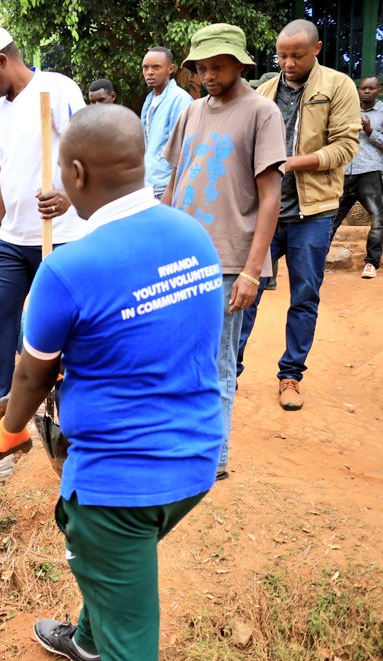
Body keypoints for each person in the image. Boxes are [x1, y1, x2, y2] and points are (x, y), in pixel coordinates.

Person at [0, 103, 222, 661]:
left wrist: (11, 430)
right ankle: (87, 641)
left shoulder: (70, 269)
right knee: (117, 566)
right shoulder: (194, 236)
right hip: (195, 461)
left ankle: (108, 653)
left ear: (78, 175)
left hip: (119, 483)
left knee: (131, 645)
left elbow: (31, 376)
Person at [161, 23, 285, 480]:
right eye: (201, 67)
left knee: (217, 359)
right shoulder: (192, 111)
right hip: (181, 255)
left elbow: (270, 196)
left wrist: (254, 270)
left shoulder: (261, 112)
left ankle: (213, 458)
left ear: (239, 63)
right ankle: (180, 440)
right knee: (176, 351)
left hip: (229, 260)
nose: (208, 75)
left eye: (217, 66)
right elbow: (176, 179)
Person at [0, 25, 89, 425]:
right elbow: (3, 177)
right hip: (14, 238)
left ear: (3, 60)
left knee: (61, 321)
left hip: (62, 236)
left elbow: (86, 151)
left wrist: (69, 194)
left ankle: (68, 402)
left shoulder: (57, 90)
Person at [237, 19, 360, 411]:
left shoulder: (338, 86)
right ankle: (229, 370)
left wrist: (291, 163)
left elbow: (345, 146)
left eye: (297, 55)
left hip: (315, 211)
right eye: (282, 55)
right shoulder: (266, 89)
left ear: (317, 49)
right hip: (267, 212)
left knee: (304, 297)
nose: (287, 63)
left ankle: (290, 374)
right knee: (245, 291)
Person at [330, 76, 383, 279]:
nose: (366, 92)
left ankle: (371, 263)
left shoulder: (381, 112)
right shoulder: (347, 109)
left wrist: (370, 131)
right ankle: (317, 260)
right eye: (363, 88)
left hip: (369, 172)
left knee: (378, 218)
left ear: (378, 90)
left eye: (371, 88)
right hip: (343, 172)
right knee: (330, 218)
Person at [140, 46, 193, 199]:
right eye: (145, 67)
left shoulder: (180, 100)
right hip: (150, 186)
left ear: (171, 69)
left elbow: (182, 149)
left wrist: (171, 191)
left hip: (168, 188)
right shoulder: (149, 100)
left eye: (156, 67)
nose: (149, 72)